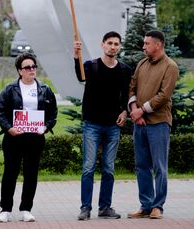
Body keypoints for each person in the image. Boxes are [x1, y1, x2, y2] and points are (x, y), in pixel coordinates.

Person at [74, 32, 132, 220]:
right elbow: (80, 77)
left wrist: (125, 111)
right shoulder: (91, 66)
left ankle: (105, 207)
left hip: (113, 125)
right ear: (102, 45)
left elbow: (126, 95)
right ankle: (85, 207)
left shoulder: (124, 70)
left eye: (116, 44)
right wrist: (76, 56)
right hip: (92, 124)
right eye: (110, 43)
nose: (113, 47)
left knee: (108, 168)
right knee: (88, 167)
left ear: (119, 47)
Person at [0, 53, 57, 223]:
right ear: (19, 71)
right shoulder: (10, 89)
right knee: (10, 173)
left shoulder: (45, 89)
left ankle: (26, 209)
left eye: (34, 66)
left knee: (31, 174)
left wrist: (46, 127)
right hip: (13, 138)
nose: (31, 70)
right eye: (27, 67)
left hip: (35, 138)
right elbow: (0, 110)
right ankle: (5, 209)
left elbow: (53, 113)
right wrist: (8, 128)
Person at [127, 30, 179, 220]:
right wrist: (134, 109)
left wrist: (142, 110)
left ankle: (158, 206)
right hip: (140, 123)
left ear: (158, 45)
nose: (143, 46)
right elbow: (132, 86)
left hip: (158, 123)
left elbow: (164, 96)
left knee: (159, 166)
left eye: (147, 44)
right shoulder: (142, 63)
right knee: (142, 166)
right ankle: (146, 205)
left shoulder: (170, 67)